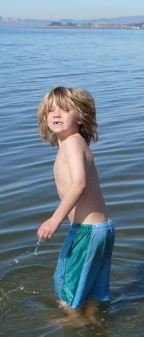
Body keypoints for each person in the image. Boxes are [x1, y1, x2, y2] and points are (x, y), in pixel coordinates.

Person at [36, 86, 115, 324]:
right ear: (44, 117)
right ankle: (92, 323)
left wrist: (54, 219)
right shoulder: (76, 143)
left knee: (66, 295)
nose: (56, 114)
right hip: (102, 229)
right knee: (93, 295)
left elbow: (79, 183)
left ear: (80, 117)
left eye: (64, 110)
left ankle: (74, 325)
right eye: (51, 111)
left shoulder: (72, 143)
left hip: (87, 232)